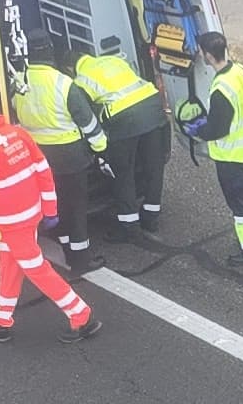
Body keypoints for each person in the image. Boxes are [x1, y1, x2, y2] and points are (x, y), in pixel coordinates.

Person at [0, 89, 95, 341]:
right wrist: (50, 210)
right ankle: (1, 320)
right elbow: (43, 171)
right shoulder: (19, 134)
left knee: (36, 269)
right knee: (8, 267)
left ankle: (80, 315)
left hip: (11, 222)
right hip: (30, 214)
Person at [67, 40, 175, 249]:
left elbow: (86, 116)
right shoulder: (112, 61)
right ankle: (151, 218)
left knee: (123, 174)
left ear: (70, 68)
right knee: (154, 167)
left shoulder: (80, 81)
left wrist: (97, 147)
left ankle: (128, 227)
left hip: (126, 121)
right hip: (153, 108)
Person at [181, 29, 243, 265]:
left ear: (208, 56)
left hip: (232, 155)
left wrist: (198, 130)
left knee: (240, 202)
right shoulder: (239, 71)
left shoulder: (221, 89)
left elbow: (218, 129)